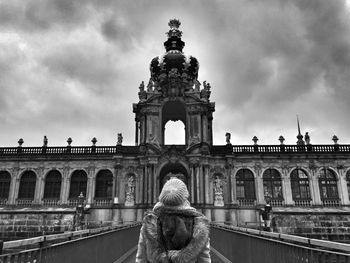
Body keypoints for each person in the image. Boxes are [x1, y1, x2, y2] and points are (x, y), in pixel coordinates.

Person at [136, 178, 211, 263]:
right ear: (185, 198)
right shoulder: (199, 226)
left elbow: (141, 259)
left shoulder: (150, 224)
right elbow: (204, 260)